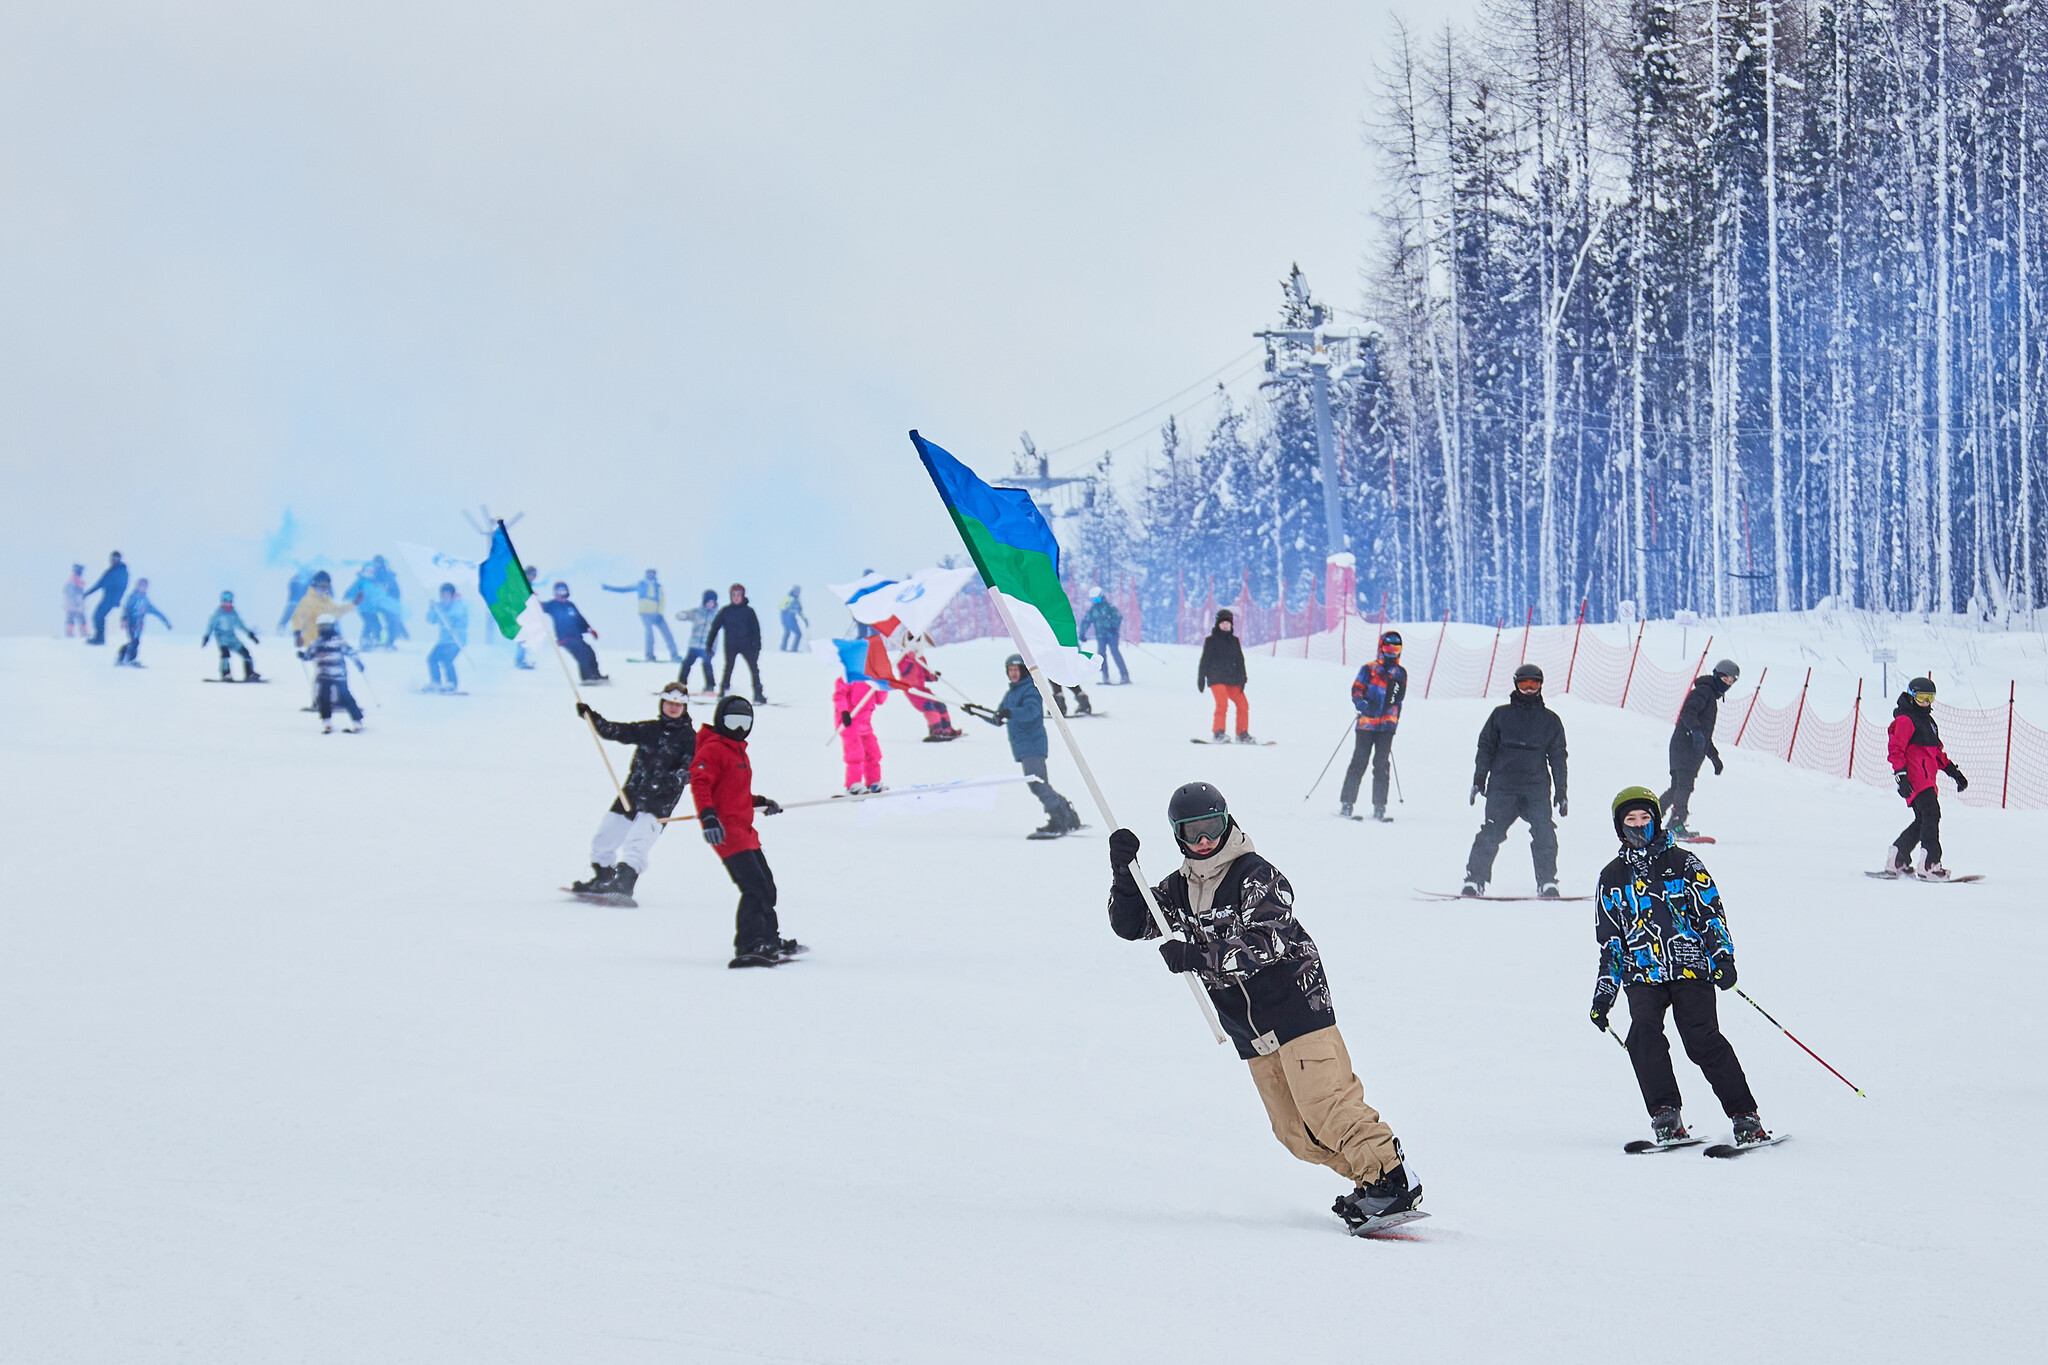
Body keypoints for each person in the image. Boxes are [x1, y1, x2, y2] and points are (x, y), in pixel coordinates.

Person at [1107, 783, 1424, 1235]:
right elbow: (1134, 925)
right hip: (1248, 1028)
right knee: (1295, 1133)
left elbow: (1270, 941)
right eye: (1194, 832)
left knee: (1328, 1107)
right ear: (1178, 834)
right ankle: (1371, 1182)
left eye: (1212, 828)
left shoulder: (1254, 874)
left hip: (1297, 1010)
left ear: (1227, 821)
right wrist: (1124, 873)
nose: (1204, 841)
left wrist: (1199, 957)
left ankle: (1393, 1177)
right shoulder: (1181, 888)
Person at [1591, 786, 1767, 1149]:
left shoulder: (1684, 863)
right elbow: (1610, 941)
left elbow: (1710, 913)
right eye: (1630, 820)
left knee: (1701, 1039)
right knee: (1643, 1035)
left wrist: (1722, 957)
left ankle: (1745, 1117)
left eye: (1645, 818)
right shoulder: (1612, 876)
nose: (1639, 825)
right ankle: (1666, 1115)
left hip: (1688, 965)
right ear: (1619, 827)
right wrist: (1604, 994)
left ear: (1656, 820)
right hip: (1641, 972)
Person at [689, 696, 801, 968]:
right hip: (726, 833)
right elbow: (700, 782)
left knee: (766, 886)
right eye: (732, 722)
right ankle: (749, 944)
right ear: (720, 720)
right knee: (754, 888)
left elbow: (733, 792)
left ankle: (768, 939)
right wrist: (708, 818)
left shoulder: (738, 750)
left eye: (744, 723)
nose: (738, 729)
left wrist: (761, 802)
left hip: (745, 830)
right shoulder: (713, 749)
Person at [568, 681, 698, 905]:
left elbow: (689, 771)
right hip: (632, 793)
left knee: (638, 842)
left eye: (678, 705)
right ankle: (603, 878)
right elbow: (615, 731)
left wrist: (668, 780)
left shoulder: (691, 738)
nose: (673, 708)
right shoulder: (650, 729)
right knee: (605, 836)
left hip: (660, 801)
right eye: (669, 703)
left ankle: (624, 884)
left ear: (685, 707)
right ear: (662, 704)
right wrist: (591, 716)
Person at [1462, 663, 1569, 897]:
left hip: (1536, 788)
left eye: (1534, 684)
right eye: (1524, 684)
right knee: (1490, 832)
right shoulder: (1501, 715)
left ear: (1541, 685)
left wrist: (1561, 792)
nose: (1529, 689)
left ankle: (1547, 882)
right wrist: (1479, 780)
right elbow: (1485, 748)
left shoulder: (1550, 720)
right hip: (1503, 787)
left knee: (1544, 833)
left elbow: (1559, 757)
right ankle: (1474, 880)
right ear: (1516, 685)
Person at [970, 655, 1082, 839]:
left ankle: (1059, 818)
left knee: (1037, 784)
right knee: (1038, 783)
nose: (1013, 673)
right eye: (1010, 670)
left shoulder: (1032, 688)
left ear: (1023, 671)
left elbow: (1032, 712)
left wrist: (1010, 712)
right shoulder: (1012, 693)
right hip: (1023, 746)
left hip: (1033, 743)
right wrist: (976, 710)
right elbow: (999, 718)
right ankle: (1068, 817)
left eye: (1016, 669)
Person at [1884, 677, 1968, 880]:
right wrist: (1901, 776)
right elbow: (1896, 749)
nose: (1926, 703)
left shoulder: (1928, 722)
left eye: (1930, 698)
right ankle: (1930, 863)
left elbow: (1936, 753)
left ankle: (1898, 856)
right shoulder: (1905, 720)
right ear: (1912, 697)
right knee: (1932, 814)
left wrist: (1954, 773)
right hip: (1915, 777)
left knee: (1923, 819)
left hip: (1927, 778)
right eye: (1922, 697)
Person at [1663, 660, 1739, 839]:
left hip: (1687, 748)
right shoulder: (1703, 691)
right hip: (1685, 747)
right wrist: (1695, 731)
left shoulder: (1710, 697)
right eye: (1726, 679)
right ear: (1717, 675)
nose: (1727, 684)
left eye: (1731, 682)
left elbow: (1704, 735)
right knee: (1684, 786)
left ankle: (1652, 820)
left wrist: (1714, 757)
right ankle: (1676, 824)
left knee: (1677, 788)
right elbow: (1688, 712)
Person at [1340, 631, 1408, 821]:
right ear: (1381, 648)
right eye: (1388, 648)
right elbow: (1357, 689)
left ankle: (1379, 806)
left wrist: (1394, 719)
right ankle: (1347, 803)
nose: (1391, 653)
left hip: (1387, 726)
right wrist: (1360, 703)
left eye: (1395, 649)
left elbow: (1398, 699)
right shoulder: (1369, 669)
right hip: (1367, 725)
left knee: (1381, 764)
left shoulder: (1400, 673)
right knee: (1359, 761)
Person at [298, 615, 365, 733]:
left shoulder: (338, 641)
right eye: (322, 627)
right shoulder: (317, 643)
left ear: (333, 627)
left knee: (345, 697)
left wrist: (358, 662)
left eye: (327, 627)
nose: (325, 629)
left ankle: (357, 721)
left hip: (339, 674)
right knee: (323, 697)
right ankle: (326, 721)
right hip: (323, 675)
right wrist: (303, 655)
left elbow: (350, 651)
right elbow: (310, 655)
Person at [1197, 608, 1252, 742]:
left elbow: (1240, 660)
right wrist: (1201, 678)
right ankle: (1218, 732)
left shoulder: (1234, 641)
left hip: (1233, 679)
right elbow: (1205, 660)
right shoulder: (1211, 641)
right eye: (1223, 623)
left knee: (1243, 704)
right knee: (1222, 704)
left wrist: (1243, 678)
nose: (1226, 625)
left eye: (1228, 623)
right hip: (1216, 678)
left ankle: (1242, 734)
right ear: (1218, 624)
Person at [605, 568, 681, 662]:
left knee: (667, 635)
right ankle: (649, 656)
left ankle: (675, 655)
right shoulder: (640, 584)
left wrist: (659, 613)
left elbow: (662, 600)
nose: (651, 574)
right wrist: (609, 588)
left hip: (657, 614)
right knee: (650, 635)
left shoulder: (658, 586)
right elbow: (624, 589)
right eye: (649, 572)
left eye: (652, 573)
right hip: (645, 614)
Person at [706, 583, 765, 702]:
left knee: (754, 669)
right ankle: (723, 692)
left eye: (738, 595)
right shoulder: (726, 611)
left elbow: (756, 630)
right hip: (731, 645)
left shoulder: (749, 611)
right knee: (728, 668)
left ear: (743, 596)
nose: (736, 597)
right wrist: (709, 644)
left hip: (747, 645)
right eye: (734, 595)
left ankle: (758, 695)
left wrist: (757, 647)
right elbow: (715, 628)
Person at [833, 667, 887, 794]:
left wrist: (883, 686)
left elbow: (880, 700)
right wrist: (844, 711)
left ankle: (874, 783)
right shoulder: (849, 677)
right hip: (849, 723)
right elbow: (839, 695)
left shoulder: (873, 679)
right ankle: (854, 785)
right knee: (855, 754)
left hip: (865, 723)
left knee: (873, 752)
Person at [541, 582, 606, 683]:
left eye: (563, 590)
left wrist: (589, 629)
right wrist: (533, 599)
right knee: (582, 653)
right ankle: (587, 677)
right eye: (559, 591)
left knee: (589, 651)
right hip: (565, 638)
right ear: (555, 593)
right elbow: (541, 606)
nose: (561, 593)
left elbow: (580, 619)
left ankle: (595, 675)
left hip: (576, 636)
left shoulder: (570, 605)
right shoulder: (553, 605)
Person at [895, 638, 959, 741]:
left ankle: (947, 729)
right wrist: (910, 660)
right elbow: (904, 672)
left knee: (940, 705)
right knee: (928, 706)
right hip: (912, 691)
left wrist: (933, 676)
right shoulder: (903, 658)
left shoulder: (921, 659)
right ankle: (936, 730)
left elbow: (925, 675)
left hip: (922, 689)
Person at [201, 591, 262, 681]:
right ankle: (226, 674)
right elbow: (211, 627)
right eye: (225, 601)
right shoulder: (218, 614)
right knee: (225, 655)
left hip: (232, 638)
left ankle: (250, 673)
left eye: (229, 600)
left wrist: (250, 635)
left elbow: (240, 625)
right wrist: (206, 637)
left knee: (246, 653)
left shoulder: (233, 613)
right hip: (222, 638)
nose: (227, 603)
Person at [288, 570, 355, 648]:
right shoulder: (308, 601)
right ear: (315, 585)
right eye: (321, 585)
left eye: (326, 586)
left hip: (327, 642)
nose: (324, 588)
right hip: (313, 644)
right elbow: (298, 618)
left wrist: (353, 604)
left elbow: (336, 611)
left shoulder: (326, 600)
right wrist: (297, 634)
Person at [114, 578, 172, 666]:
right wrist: (123, 619)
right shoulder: (133, 597)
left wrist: (167, 623)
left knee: (136, 641)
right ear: (137, 586)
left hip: (139, 624)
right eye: (141, 586)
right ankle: (126, 658)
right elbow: (127, 609)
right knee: (133, 641)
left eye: (145, 586)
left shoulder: (145, 600)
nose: (143, 588)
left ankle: (127, 658)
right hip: (132, 622)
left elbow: (156, 611)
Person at [424, 582, 469, 692]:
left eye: (447, 595)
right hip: (443, 640)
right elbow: (431, 620)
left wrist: (443, 609)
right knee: (432, 658)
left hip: (456, 640)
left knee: (446, 659)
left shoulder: (460, 605)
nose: (445, 598)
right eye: (443, 595)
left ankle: (451, 683)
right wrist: (433, 609)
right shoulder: (440, 606)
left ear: (453, 595)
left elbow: (455, 617)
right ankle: (436, 682)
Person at [1081, 588, 1130, 685]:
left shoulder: (1110, 607)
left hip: (1112, 635)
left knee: (1115, 653)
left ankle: (1125, 676)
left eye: (1097, 599)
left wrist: (1114, 627)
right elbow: (1086, 621)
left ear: (1102, 597)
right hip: (1101, 636)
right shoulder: (1093, 610)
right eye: (1094, 600)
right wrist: (1082, 633)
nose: (1096, 602)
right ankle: (1105, 677)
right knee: (1101, 655)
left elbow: (1118, 617)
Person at [674, 590, 718, 692]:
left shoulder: (717, 615)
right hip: (694, 645)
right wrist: (682, 615)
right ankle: (681, 684)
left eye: (712, 602)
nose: (710, 604)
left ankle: (710, 686)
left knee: (706, 663)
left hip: (708, 646)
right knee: (686, 663)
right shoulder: (697, 613)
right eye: (708, 602)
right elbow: (684, 615)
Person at [82, 551, 128, 645]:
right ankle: (99, 637)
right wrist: (87, 593)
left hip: (111, 599)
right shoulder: (110, 571)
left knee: (99, 616)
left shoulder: (122, 572)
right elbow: (100, 584)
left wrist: (117, 599)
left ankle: (99, 638)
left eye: (116, 558)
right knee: (98, 616)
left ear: (119, 559)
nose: (114, 560)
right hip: (107, 597)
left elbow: (122, 587)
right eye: (113, 558)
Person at [512, 565, 543, 669]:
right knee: (523, 638)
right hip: (519, 615)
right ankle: (520, 660)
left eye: (533, 575)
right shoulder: (520, 585)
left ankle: (522, 659)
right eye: (530, 575)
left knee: (526, 637)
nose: (531, 577)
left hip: (526, 616)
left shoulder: (528, 585)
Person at [779, 585, 808, 652]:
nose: (797, 593)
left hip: (792, 618)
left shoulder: (798, 600)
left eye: (799, 592)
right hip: (786, 618)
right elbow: (781, 605)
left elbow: (800, 611)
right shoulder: (788, 597)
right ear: (793, 591)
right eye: (796, 591)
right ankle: (783, 647)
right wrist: (787, 607)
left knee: (799, 634)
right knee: (787, 632)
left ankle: (794, 648)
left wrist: (805, 619)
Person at [64, 565, 88, 637]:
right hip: (74, 603)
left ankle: (71, 633)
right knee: (77, 618)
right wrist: (76, 602)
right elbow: (71, 593)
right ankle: (79, 633)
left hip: (74, 603)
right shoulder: (73, 580)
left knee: (73, 618)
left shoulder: (76, 579)